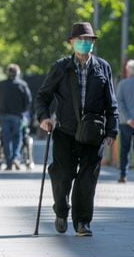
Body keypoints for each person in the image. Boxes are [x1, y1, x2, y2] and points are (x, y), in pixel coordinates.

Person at [36, 22, 118, 237]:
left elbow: (111, 102)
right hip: (65, 132)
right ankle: (61, 212)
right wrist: (44, 118)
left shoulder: (103, 67)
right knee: (63, 175)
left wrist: (112, 130)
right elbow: (42, 97)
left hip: (93, 133)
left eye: (88, 40)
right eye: (79, 40)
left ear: (93, 43)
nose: (84, 43)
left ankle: (82, 222)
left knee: (87, 178)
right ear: (71, 42)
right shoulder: (61, 67)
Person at [0, 64, 32, 170]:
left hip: (4, 115)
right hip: (17, 115)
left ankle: (9, 162)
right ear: (18, 73)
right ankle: (16, 157)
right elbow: (28, 101)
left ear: (8, 72)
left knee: (6, 139)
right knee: (17, 137)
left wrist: (0, 111)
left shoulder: (2, 84)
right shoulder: (22, 84)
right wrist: (24, 110)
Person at [116, 59, 134, 183]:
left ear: (128, 70)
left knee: (125, 149)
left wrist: (128, 119)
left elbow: (119, 102)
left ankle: (123, 175)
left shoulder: (122, 84)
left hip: (125, 122)